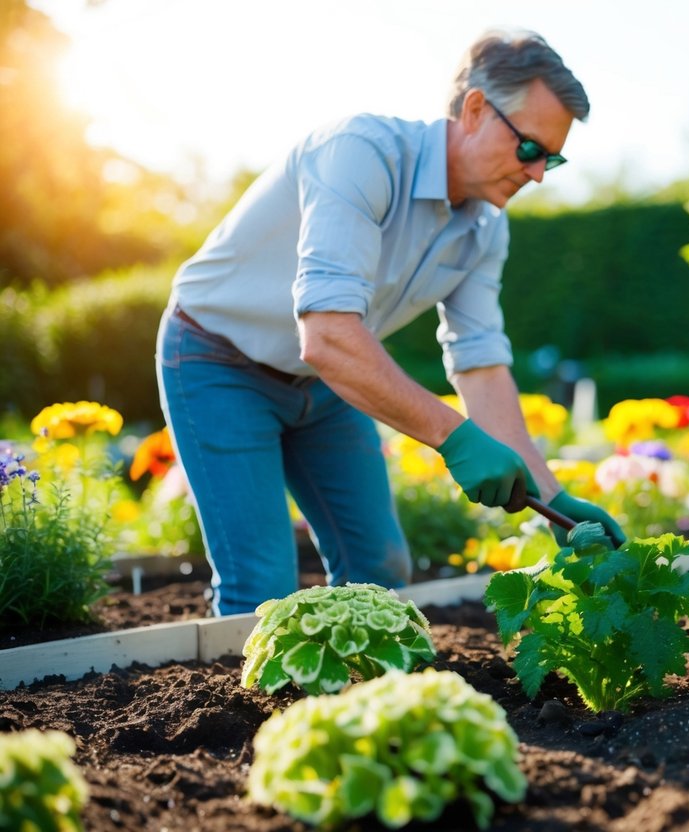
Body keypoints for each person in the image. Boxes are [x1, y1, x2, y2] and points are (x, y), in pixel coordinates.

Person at [156, 30, 625, 616]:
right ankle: (259, 710)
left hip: (327, 380)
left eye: (551, 158)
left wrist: (552, 496)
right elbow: (327, 333)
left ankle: (359, 702)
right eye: (530, 149)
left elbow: (479, 363)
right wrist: (455, 439)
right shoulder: (361, 154)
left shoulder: (485, 227)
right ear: (476, 108)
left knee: (378, 568)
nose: (538, 176)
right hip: (216, 357)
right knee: (262, 587)